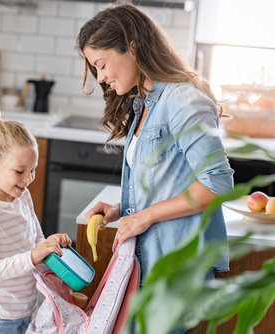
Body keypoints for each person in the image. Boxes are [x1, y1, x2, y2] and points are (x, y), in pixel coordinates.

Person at [77, 1, 234, 328]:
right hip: (150, 260)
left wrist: (143, 217)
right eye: (95, 69)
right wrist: (123, 208)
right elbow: (170, 181)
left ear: (132, 48)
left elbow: (217, 184)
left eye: (102, 65)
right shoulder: (144, 104)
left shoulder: (181, 99)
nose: (101, 77)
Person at [0, 108, 71, 334]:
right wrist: (32, 256)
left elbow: (35, 241)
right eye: (20, 171)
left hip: (24, 312)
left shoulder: (22, 197)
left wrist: (49, 245)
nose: (28, 179)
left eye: (33, 170)